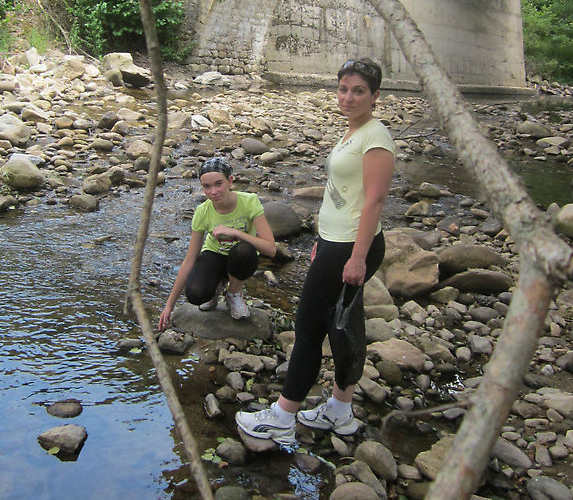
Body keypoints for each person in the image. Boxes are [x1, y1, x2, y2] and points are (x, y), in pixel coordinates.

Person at [236, 58, 395, 445]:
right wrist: (321, 242)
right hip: (336, 243)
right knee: (341, 324)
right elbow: (343, 197)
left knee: (307, 327)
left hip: (352, 247)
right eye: (343, 88)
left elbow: (373, 202)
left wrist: (356, 257)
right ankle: (339, 410)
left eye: (358, 90)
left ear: (375, 95)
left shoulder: (375, 137)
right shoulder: (351, 133)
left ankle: (283, 415)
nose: (348, 97)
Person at [158, 157, 276, 330]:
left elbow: (271, 249)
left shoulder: (249, 201)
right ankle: (215, 288)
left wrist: (237, 233)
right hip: (214, 256)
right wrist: (169, 305)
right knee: (196, 294)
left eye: (218, 184)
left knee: (243, 250)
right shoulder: (202, 211)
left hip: (241, 258)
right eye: (207, 186)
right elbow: (190, 258)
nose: (213, 192)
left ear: (230, 181)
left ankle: (234, 293)